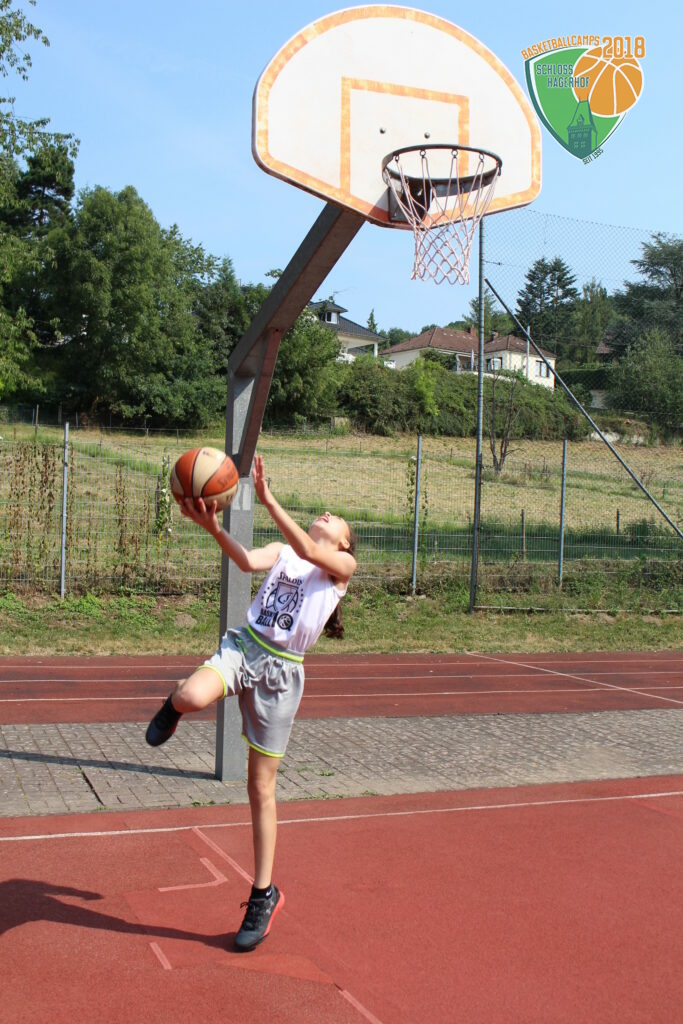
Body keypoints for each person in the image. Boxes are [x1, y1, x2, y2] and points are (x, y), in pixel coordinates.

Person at [145, 453, 357, 951]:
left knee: (260, 788)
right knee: (191, 695)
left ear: (345, 543)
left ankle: (263, 893)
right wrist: (213, 528)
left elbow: (309, 549)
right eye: (325, 512)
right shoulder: (282, 552)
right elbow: (245, 561)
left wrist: (268, 499)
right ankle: (173, 705)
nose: (327, 513)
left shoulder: (341, 569)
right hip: (246, 647)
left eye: (337, 519)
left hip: (283, 674)